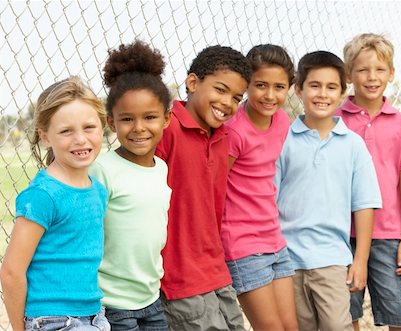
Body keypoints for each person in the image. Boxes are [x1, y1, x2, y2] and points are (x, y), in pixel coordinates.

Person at [275, 50, 382, 331]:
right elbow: (268, 200)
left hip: (333, 260)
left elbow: (364, 204)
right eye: (314, 85)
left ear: (342, 93)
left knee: (338, 326)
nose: (322, 94)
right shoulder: (282, 140)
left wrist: (361, 260)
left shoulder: (353, 145)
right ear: (298, 90)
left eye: (331, 87)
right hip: (287, 260)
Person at [0, 76, 109, 331]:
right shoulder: (43, 195)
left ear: (102, 128)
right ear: (45, 137)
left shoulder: (98, 191)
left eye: (89, 127)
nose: (80, 139)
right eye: (66, 131)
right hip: (54, 320)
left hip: (94, 315)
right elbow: (11, 272)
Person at [155, 45, 251, 331]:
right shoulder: (167, 127)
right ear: (193, 82)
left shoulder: (224, 138)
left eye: (236, 97)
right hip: (179, 274)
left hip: (215, 269)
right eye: (220, 90)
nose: (228, 103)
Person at [335, 33, 401, 331]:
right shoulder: (335, 119)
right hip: (343, 233)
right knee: (347, 315)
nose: (371, 77)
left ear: (391, 73)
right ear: (348, 74)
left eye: (380, 69)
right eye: (362, 69)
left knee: (399, 315)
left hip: (388, 236)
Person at [89, 40, 172, 331]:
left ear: (166, 119)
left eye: (149, 117)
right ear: (112, 122)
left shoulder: (161, 168)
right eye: (127, 119)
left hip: (151, 298)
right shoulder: (102, 170)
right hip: (112, 303)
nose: (139, 128)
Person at [221, 44, 297, 331]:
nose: (269, 95)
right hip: (243, 243)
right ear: (247, 85)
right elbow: (216, 188)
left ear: (290, 87)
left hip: (274, 239)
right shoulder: (235, 130)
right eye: (260, 85)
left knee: (291, 325)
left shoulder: (282, 121)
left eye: (279, 87)